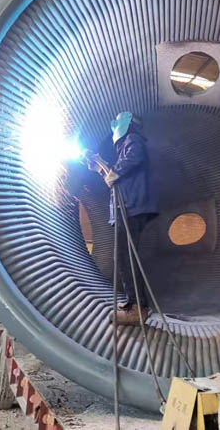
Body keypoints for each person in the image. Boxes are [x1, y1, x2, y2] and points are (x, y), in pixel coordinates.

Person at [88, 112, 157, 325]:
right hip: (126, 207)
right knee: (124, 256)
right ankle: (134, 304)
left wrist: (114, 171)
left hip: (131, 207)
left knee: (126, 257)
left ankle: (137, 308)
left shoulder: (132, 140)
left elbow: (134, 157)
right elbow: (114, 178)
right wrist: (99, 166)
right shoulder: (124, 149)